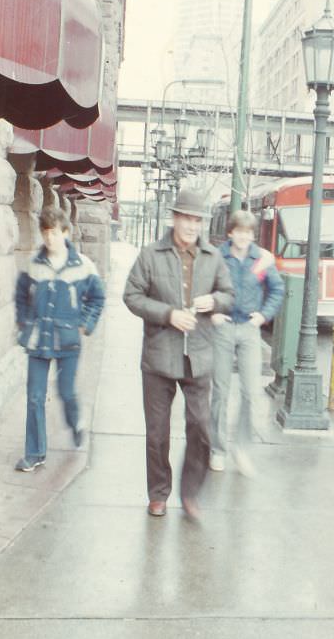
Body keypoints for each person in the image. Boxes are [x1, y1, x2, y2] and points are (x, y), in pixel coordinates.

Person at [123, 189, 234, 520]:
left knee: (200, 427)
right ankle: (158, 493)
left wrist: (215, 301)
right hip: (159, 357)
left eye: (197, 220)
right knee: (157, 433)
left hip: (199, 356)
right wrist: (168, 314)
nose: (191, 226)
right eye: (186, 218)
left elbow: (229, 295)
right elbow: (131, 296)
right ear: (174, 218)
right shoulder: (151, 255)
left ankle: (190, 493)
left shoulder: (213, 257)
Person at [14, 206, 105, 472]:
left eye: (54, 233)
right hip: (38, 340)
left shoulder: (83, 265)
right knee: (35, 397)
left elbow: (97, 298)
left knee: (66, 392)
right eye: (45, 233)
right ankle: (35, 452)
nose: (49, 238)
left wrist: (85, 323)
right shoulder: (33, 263)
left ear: (65, 232)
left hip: (68, 341)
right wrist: (24, 321)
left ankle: (75, 424)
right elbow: (21, 296)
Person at [210, 210, 284, 477]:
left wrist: (263, 316)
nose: (243, 237)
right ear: (230, 232)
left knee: (251, 392)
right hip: (224, 328)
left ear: (253, 235)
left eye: (248, 232)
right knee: (220, 391)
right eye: (239, 231)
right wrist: (213, 312)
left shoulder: (261, 260)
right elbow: (204, 284)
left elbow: (277, 289)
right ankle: (218, 450)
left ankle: (241, 449)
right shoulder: (218, 256)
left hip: (249, 331)